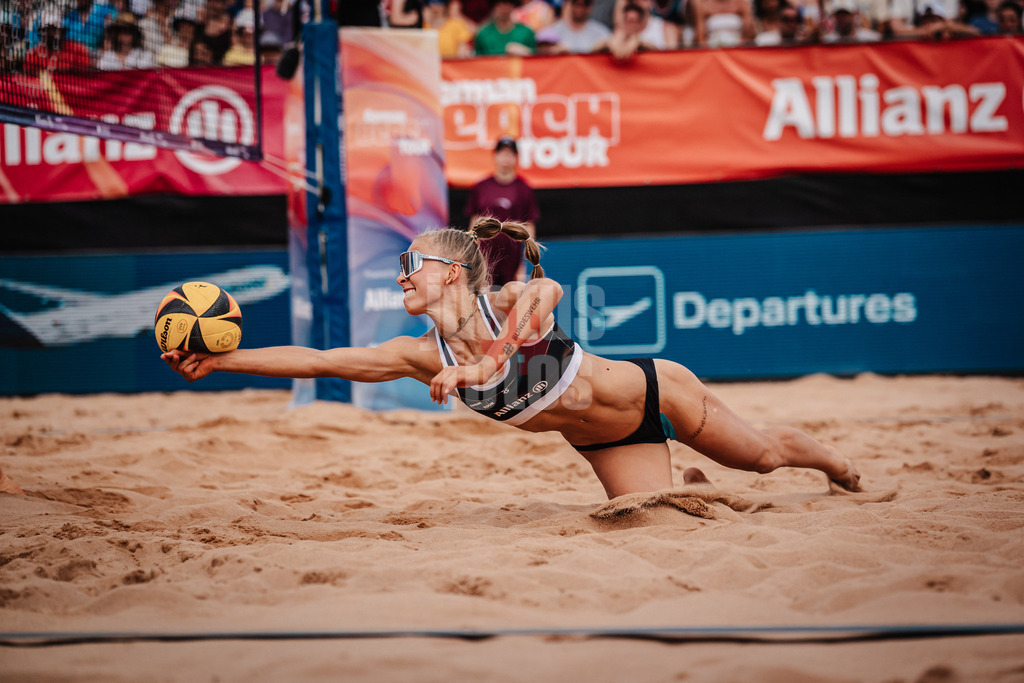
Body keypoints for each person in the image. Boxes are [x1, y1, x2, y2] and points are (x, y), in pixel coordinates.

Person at [162, 219, 862, 501]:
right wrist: (222, 363)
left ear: (456, 271)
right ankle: (692, 479)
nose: (402, 274)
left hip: (658, 391)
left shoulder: (514, 295)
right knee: (655, 511)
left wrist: (474, 370)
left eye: (413, 263)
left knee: (767, 459)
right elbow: (319, 360)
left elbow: (543, 303)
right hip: (603, 438)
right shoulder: (416, 353)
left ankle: (836, 465)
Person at [464, 137, 539, 286]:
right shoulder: (482, 187)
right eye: (502, 153)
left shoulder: (523, 189)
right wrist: (471, 253)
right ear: (495, 156)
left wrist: (525, 261)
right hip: (485, 257)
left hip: (512, 260)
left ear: (516, 157)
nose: (506, 158)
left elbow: (529, 225)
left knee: (510, 302)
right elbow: (474, 223)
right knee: (483, 300)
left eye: (510, 154)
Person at [535, 0, 611, 54]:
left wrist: (602, 48)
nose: (580, 8)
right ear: (568, 4)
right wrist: (552, 51)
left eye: (585, 4)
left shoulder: (601, 32)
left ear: (590, 7)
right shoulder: (554, 30)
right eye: (576, 3)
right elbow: (538, 48)